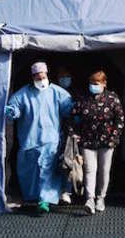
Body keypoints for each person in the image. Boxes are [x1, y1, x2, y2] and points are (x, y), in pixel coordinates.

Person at [4, 61, 74, 214]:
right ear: (32, 76)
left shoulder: (58, 92)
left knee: (46, 170)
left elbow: (69, 109)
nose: (41, 79)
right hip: (29, 140)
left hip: (51, 140)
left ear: (47, 74)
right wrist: (11, 111)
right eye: (37, 76)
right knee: (29, 171)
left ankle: (45, 199)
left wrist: (77, 115)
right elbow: (14, 106)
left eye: (43, 76)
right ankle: (32, 197)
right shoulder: (23, 94)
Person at [69, 70, 124, 215]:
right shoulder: (83, 99)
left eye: (96, 83)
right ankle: (90, 199)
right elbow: (73, 117)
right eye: (91, 83)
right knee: (89, 170)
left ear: (104, 83)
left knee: (104, 171)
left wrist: (114, 138)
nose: (93, 86)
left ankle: (101, 198)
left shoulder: (112, 98)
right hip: (87, 141)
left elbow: (120, 120)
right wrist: (74, 134)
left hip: (107, 142)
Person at [54, 66, 77, 205]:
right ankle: (57, 191)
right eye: (62, 77)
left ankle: (67, 191)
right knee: (56, 164)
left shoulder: (76, 94)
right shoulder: (53, 93)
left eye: (67, 76)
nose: (65, 79)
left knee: (69, 164)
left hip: (72, 135)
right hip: (55, 134)